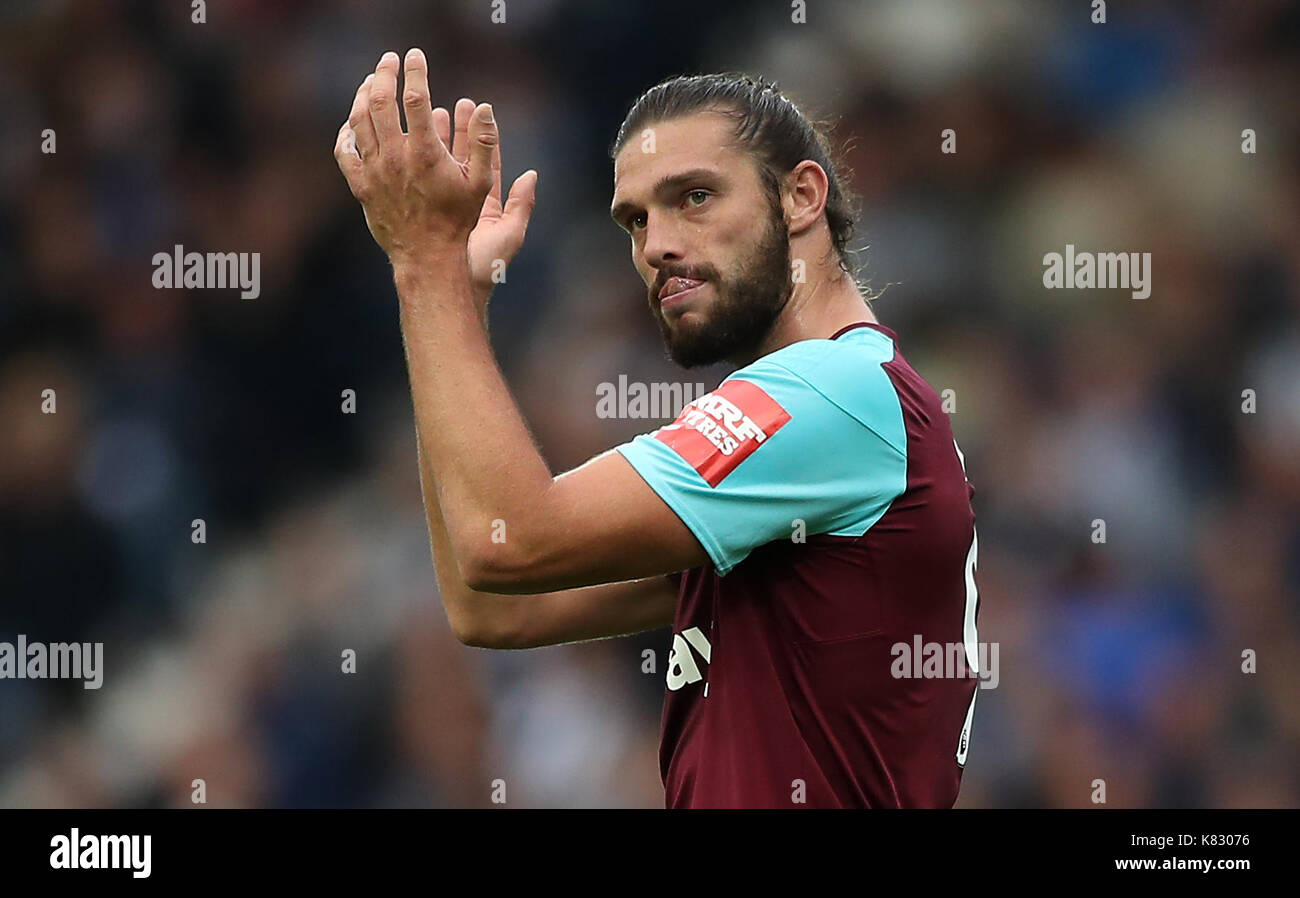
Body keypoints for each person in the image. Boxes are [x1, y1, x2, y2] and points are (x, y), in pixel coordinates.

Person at [335, 49, 982, 808]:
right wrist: (453, 298)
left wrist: (423, 263)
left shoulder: (831, 393)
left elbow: (506, 538)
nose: (656, 246)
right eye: (636, 219)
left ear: (803, 195)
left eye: (695, 197)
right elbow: (497, 608)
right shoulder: (820, 445)